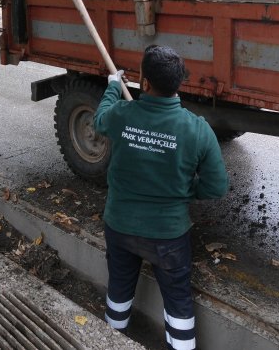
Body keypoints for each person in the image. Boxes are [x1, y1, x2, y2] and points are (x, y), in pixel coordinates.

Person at [93, 45, 228, 350]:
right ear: (177, 84)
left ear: (145, 83)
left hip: (120, 226)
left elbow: (99, 119)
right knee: (178, 300)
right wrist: (185, 191)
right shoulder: (198, 130)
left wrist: (114, 87)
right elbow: (217, 186)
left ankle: (110, 340)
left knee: (119, 287)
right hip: (168, 235)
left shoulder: (121, 115)